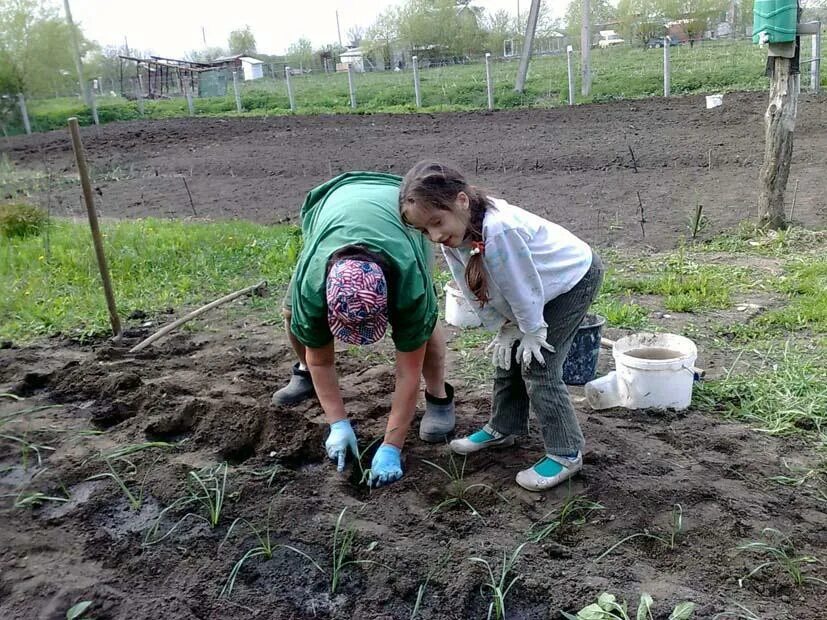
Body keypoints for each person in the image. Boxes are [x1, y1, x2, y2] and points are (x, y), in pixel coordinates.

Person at [399, 161, 604, 492]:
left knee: (539, 365)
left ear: (461, 201)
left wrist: (533, 330)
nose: (435, 236)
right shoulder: (454, 236)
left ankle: (566, 452)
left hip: (572, 278)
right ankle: (505, 427)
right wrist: (504, 327)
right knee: (509, 355)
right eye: (425, 231)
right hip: (538, 287)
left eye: (437, 222)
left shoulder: (499, 229)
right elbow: (469, 286)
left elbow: (521, 286)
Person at [272, 171, 455, 487]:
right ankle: (302, 374)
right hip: (336, 203)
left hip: (399, 208)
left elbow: (406, 372)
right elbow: (322, 359)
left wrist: (391, 446)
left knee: (424, 327)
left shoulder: (408, 282)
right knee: (292, 315)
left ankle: (439, 398)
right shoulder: (311, 285)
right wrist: (338, 424)